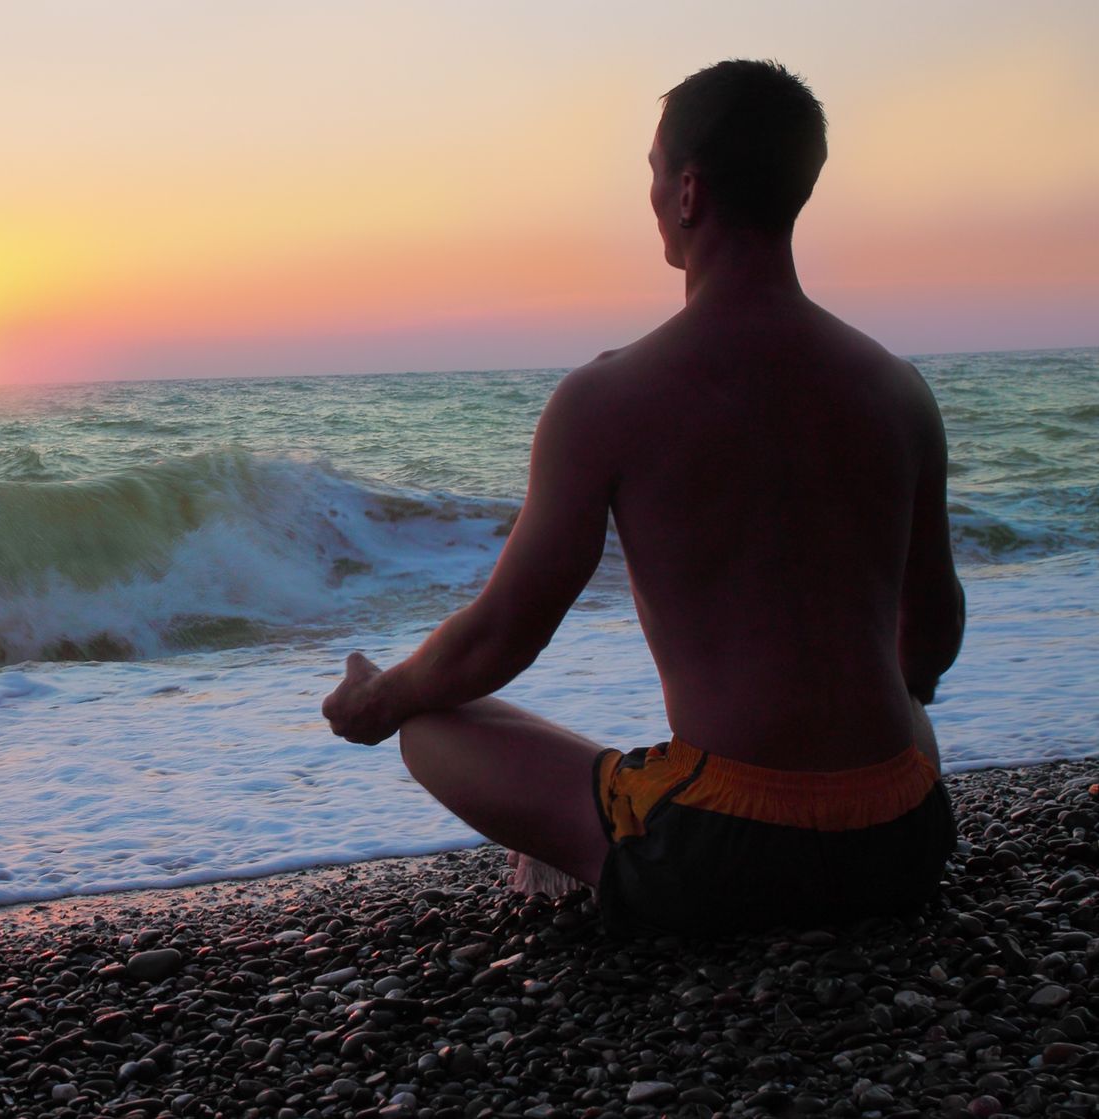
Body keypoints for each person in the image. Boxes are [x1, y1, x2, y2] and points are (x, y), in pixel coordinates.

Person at [320, 60, 964, 936]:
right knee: (901, 720)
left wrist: (382, 695)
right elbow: (931, 632)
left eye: (655, 172)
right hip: (904, 841)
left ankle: (576, 841)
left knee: (430, 728)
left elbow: (505, 631)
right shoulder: (898, 389)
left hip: (720, 860)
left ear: (689, 191)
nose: (653, 194)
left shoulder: (609, 398)